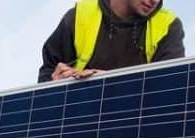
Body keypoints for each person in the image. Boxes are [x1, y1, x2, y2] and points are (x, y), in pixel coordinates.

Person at [38, 0, 185, 82]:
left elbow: (170, 85)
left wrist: (109, 82)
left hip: (137, 127)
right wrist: (55, 83)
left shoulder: (167, 25)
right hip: (78, 121)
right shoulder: (80, 16)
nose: (155, 1)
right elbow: (48, 72)